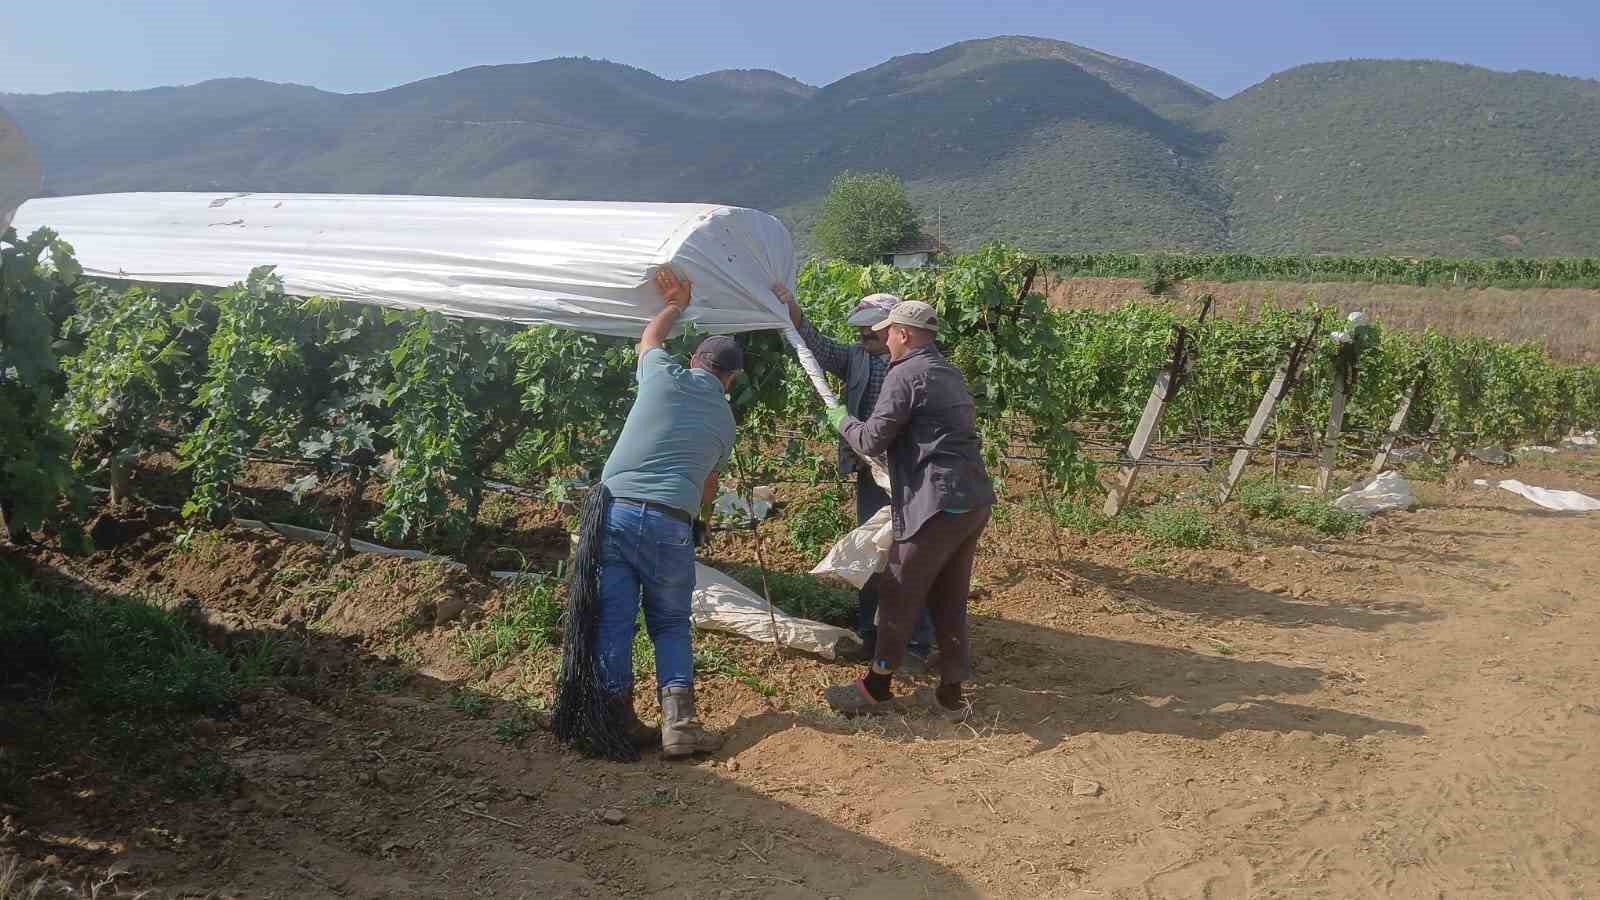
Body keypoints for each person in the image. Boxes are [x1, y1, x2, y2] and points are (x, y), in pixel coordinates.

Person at [819, 300, 996, 721]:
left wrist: (842, 419)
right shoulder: (948, 371)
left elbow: (871, 440)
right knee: (948, 597)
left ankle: (876, 688)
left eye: (888, 332)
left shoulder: (905, 374)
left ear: (905, 333)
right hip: (971, 498)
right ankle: (951, 694)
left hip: (935, 502)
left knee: (897, 590)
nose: (884, 339)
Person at [595, 266, 741, 758]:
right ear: (731, 379)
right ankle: (679, 727)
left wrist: (678, 302)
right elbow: (709, 482)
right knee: (670, 622)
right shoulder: (725, 418)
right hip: (669, 523)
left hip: (611, 514)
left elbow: (650, 336)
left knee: (615, 618)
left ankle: (614, 721)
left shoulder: (660, 376)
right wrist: (703, 522)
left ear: (694, 360)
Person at [772, 284, 936, 665]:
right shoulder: (856, 358)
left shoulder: (915, 364)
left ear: (895, 329)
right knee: (870, 553)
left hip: (910, 476)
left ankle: (916, 642)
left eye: (872, 328)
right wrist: (790, 307)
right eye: (861, 329)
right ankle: (872, 634)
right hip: (871, 473)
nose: (863, 336)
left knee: (909, 556)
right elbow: (816, 344)